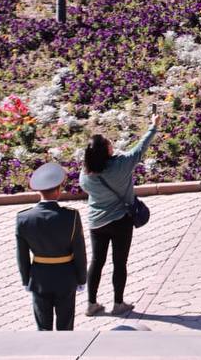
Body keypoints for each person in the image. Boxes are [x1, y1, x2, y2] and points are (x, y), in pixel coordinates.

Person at [79, 115, 159, 317]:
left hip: (96, 223)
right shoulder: (121, 165)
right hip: (121, 220)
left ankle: (91, 304)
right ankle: (118, 303)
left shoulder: (85, 174)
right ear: (107, 150)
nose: (111, 143)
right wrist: (153, 126)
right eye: (109, 143)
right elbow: (140, 149)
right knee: (119, 262)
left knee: (97, 261)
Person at [15, 161, 87, 331]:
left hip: (39, 277)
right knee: (65, 326)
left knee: (43, 328)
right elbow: (79, 251)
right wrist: (81, 278)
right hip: (66, 276)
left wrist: (26, 279)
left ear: (39, 191)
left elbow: (22, 254)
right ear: (58, 190)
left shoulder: (24, 218)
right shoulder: (71, 216)